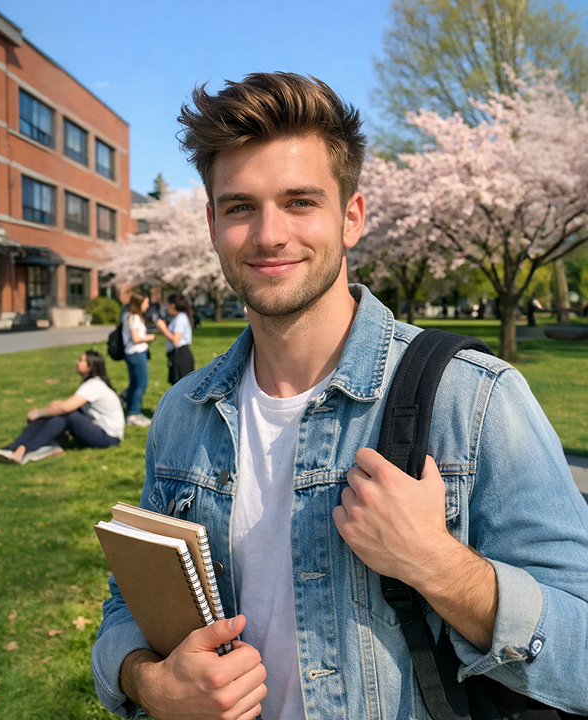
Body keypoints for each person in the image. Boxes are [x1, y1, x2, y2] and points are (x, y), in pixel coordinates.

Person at [92, 73, 588, 720]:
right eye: (241, 207)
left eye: (300, 202)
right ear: (212, 225)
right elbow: (126, 607)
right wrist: (148, 683)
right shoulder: (183, 415)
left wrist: (439, 565)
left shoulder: (478, 402)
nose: (270, 234)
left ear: (351, 217)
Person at [0, 350, 124, 465]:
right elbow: (65, 405)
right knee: (55, 414)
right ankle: (12, 449)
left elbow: (66, 408)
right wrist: (49, 410)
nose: (77, 362)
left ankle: (24, 450)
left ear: (90, 367)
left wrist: (39, 413)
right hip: (97, 432)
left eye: (81, 360)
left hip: (108, 438)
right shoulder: (91, 384)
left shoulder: (94, 385)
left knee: (66, 414)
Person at [123, 292, 156, 427]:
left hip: (130, 353)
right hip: (137, 353)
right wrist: (150, 337)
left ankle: (131, 411)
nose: (147, 306)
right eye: (145, 303)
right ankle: (134, 413)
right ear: (139, 303)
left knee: (134, 383)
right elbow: (136, 338)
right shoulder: (135, 318)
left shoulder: (127, 316)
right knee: (141, 384)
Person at [155, 294, 195, 385]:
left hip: (181, 355)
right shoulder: (178, 318)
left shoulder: (180, 319)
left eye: (168, 305)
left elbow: (176, 340)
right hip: (177, 355)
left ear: (173, 305)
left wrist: (163, 329)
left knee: (181, 386)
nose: (167, 307)